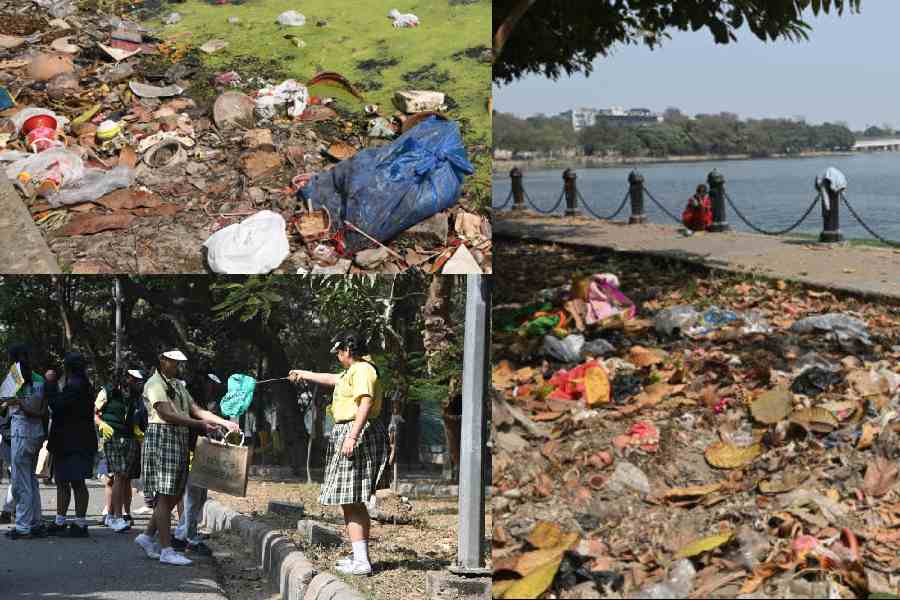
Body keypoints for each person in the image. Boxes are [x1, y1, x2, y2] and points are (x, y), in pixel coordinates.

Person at [288, 331, 388, 576]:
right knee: (349, 500)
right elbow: (332, 378)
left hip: (356, 433)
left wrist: (352, 436)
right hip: (349, 432)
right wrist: (303, 373)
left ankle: (362, 562)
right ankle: (359, 557)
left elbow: (365, 402)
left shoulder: (363, 370)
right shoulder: (351, 372)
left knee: (351, 499)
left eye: (339, 352)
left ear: (347, 350)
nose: (338, 357)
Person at [133, 350, 238, 566]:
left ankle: (146, 537)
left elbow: (195, 409)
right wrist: (198, 425)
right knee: (164, 495)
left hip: (178, 438)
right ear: (162, 361)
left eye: (179, 363)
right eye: (173, 362)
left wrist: (225, 422)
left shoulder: (178, 385)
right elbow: (165, 414)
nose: (177, 366)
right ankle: (166, 549)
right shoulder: (154, 384)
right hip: (163, 438)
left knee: (174, 494)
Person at [45, 352, 97, 538]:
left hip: (73, 442)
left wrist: (50, 384)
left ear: (69, 368)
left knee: (75, 482)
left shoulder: (76, 386)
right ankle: (61, 520)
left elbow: (57, 406)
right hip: (72, 441)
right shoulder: (80, 384)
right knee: (64, 481)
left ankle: (80, 524)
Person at [173, 372, 223, 556]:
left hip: (199, 452)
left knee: (198, 498)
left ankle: (180, 535)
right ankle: (191, 540)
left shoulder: (200, 402)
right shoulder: (190, 403)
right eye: (210, 384)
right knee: (193, 498)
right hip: (192, 454)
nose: (212, 389)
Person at [1, 345, 47, 539]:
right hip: (36, 434)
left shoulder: (15, 376)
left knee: (21, 482)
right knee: (31, 480)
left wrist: (12, 403)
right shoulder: (39, 379)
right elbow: (43, 409)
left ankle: (22, 526)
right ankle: (36, 521)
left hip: (20, 433)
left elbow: (2, 401)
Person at [94, 368, 144, 533]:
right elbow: (93, 412)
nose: (135, 382)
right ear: (125, 378)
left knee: (124, 478)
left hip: (129, 438)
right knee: (118, 475)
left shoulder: (134, 396)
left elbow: (135, 416)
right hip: (113, 437)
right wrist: (101, 424)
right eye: (132, 379)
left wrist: (137, 430)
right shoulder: (107, 391)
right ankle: (115, 516)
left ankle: (117, 515)